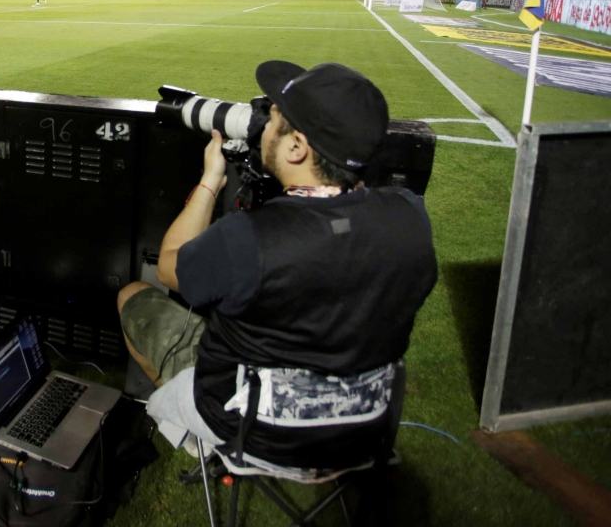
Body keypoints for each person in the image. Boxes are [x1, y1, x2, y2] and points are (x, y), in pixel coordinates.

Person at [118, 61, 437, 475]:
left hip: (256, 430)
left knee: (133, 299)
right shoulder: (410, 217)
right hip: (364, 428)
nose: (261, 126)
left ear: (296, 147)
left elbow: (169, 267)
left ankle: (201, 440)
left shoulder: (251, 238)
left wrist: (212, 178)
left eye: (272, 119)